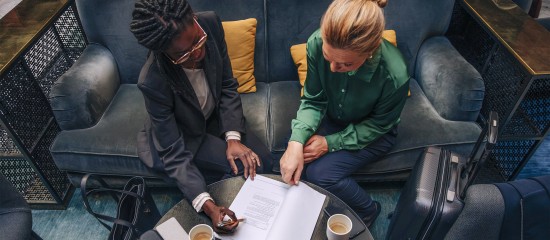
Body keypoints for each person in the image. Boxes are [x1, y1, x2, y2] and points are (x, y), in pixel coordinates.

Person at [130, 0, 273, 233]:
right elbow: (173, 152)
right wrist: (209, 207)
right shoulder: (152, 81)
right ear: (163, 53)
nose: (197, 53)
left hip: (213, 116)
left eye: (198, 40)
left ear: (194, 18)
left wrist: (233, 139)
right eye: (183, 54)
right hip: (183, 134)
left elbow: (227, 85)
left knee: (263, 160)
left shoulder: (210, 23)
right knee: (238, 169)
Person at [279, 0, 409, 227]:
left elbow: (380, 125)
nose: (333, 69)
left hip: (374, 131)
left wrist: (329, 143)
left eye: (345, 64)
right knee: (286, 160)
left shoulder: (395, 74)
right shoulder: (316, 43)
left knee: (320, 174)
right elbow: (314, 99)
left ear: (369, 51)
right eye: (329, 60)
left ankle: (368, 210)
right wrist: (295, 142)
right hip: (333, 118)